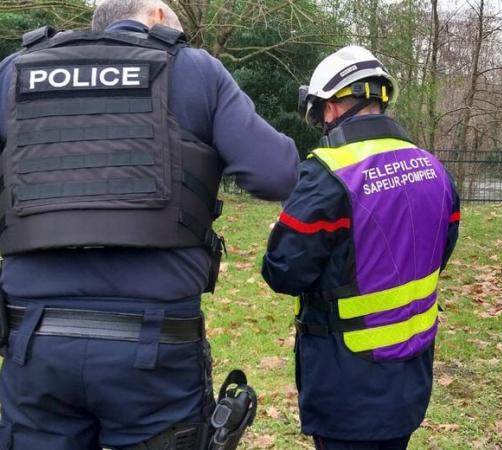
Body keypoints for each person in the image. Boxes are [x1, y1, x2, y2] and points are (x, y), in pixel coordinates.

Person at [0, 0, 298, 449]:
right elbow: (277, 173)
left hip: (34, 341)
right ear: (157, 14)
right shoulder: (195, 69)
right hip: (154, 343)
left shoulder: (15, 71)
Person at [261, 46, 461, 450]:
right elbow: (440, 250)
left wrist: (280, 233)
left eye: (319, 112)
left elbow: (283, 272)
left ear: (333, 108)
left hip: (346, 383)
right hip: (410, 378)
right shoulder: (434, 169)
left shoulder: (326, 177)